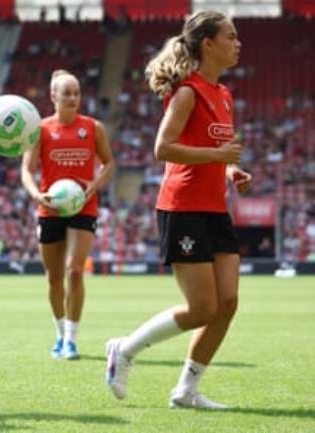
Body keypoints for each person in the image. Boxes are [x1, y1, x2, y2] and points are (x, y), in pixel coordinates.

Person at [105, 11, 252, 410]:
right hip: (182, 207)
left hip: (213, 209)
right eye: (231, 36)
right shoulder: (188, 91)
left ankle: (186, 390)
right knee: (203, 308)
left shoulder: (224, 94)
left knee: (228, 304)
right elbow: (162, 148)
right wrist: (217, 155)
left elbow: (211, 153)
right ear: (208, 43)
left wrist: (230, 169)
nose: (238, 43)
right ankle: (125, 349)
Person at [21, 70, 114, 360]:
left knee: (75, 271)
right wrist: (37, 195)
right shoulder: (42, 130)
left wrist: (94, 185)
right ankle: (59, 335)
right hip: (50, 208)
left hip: (83, 206)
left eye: (76, 93)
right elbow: (26, 170)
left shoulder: (93, 128)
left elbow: (109, 164)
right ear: (53, 96)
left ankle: (72, 340)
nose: (73, 98)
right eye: (67, 93)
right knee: (54, 277)